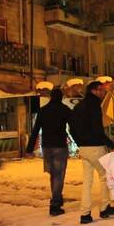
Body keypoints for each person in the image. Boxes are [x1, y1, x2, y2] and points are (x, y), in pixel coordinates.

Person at [70, 81, 114, 225]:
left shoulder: (79, 106)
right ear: (94, 90)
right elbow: (98, 130)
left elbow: (71, 127)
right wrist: (112, 145)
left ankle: (85, 214)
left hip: (84, 149)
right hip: (95, 147)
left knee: (87, 181)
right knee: (105, 175)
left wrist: (79, 142)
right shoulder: (94, 106)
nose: (103, 92)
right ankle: (105, 208)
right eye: (101, 90)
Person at [26, 88, 72, 216]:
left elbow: (35, 130)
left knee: (53, 175)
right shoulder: (64, 110)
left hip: (46, 147)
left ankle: (57, 197)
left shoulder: (43, 110)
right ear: (61, 97)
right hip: (59, 146)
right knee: (59, 176)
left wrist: (29, 148)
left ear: (51, 97)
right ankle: (55, 205)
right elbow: (74, 126)